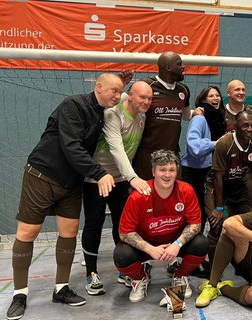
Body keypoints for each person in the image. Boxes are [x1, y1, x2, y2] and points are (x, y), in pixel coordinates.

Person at [6, 73, 122, 320]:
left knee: (69, 233)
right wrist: (99, 173)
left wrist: (122, 80)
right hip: (42, 175)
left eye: (120, 91)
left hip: (71, 183)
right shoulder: (73, 105)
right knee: (28, 232)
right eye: (113, 90)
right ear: (98, 87)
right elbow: (71, 146)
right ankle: (20, 294)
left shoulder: (102, 113)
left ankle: (61, 288)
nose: (117, 95)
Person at [81, 81, 153, 296]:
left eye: (149, 98)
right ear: (130, 95)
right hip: (97, 179)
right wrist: (133, 177)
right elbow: (116, 147)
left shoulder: (142, 116)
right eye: (142, 97)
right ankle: (91, 273)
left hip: (120, 179)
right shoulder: (113, 114)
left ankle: (124, 269)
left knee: (123, 225)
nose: (146, 102)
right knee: (94, 223)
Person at [113, 149, 208, 304]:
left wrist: (177, 245)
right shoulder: (139, 196)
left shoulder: (186, 190)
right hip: (147, 245)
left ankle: (180, 276)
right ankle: (140, 279)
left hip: (174, 243)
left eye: (172, 170)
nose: (167, 174)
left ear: (177, 172)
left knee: (201, 243)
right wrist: (150, 249)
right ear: (153, 171)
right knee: (121, 255)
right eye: (162, 169)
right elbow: (124, 233)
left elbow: (195, 225)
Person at [205, 110, 252, 265]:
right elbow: (218, 177)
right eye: (245, 125)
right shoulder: (225, 143)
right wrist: (218, 208)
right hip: (216, 187)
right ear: (236, 126)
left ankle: (242, 264)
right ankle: (213, 266)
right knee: (216, 225)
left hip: (239, 187)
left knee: (246, 225)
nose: (250, 129)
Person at [181, 85, 227, 278]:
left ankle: (199, 259)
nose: (215, 98)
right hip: (194, 172)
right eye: (211, 95)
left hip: (209, 171)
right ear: (203, 100)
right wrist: (217, 143)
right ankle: (189, 262)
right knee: (194, 219)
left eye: (217, 95)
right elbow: (194, 147)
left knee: (209, 219)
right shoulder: (199, 118)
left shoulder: (219, 119)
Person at [132, 51, 191, 180]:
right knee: (146, 194)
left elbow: (186, 116)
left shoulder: (183, 89)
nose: (183, 67)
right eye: (179, 64)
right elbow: (125, 105)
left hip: (172, 154)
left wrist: (196, 113)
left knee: (172, 195)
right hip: (148, 154)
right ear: (168, 68)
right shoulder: (148, 85)